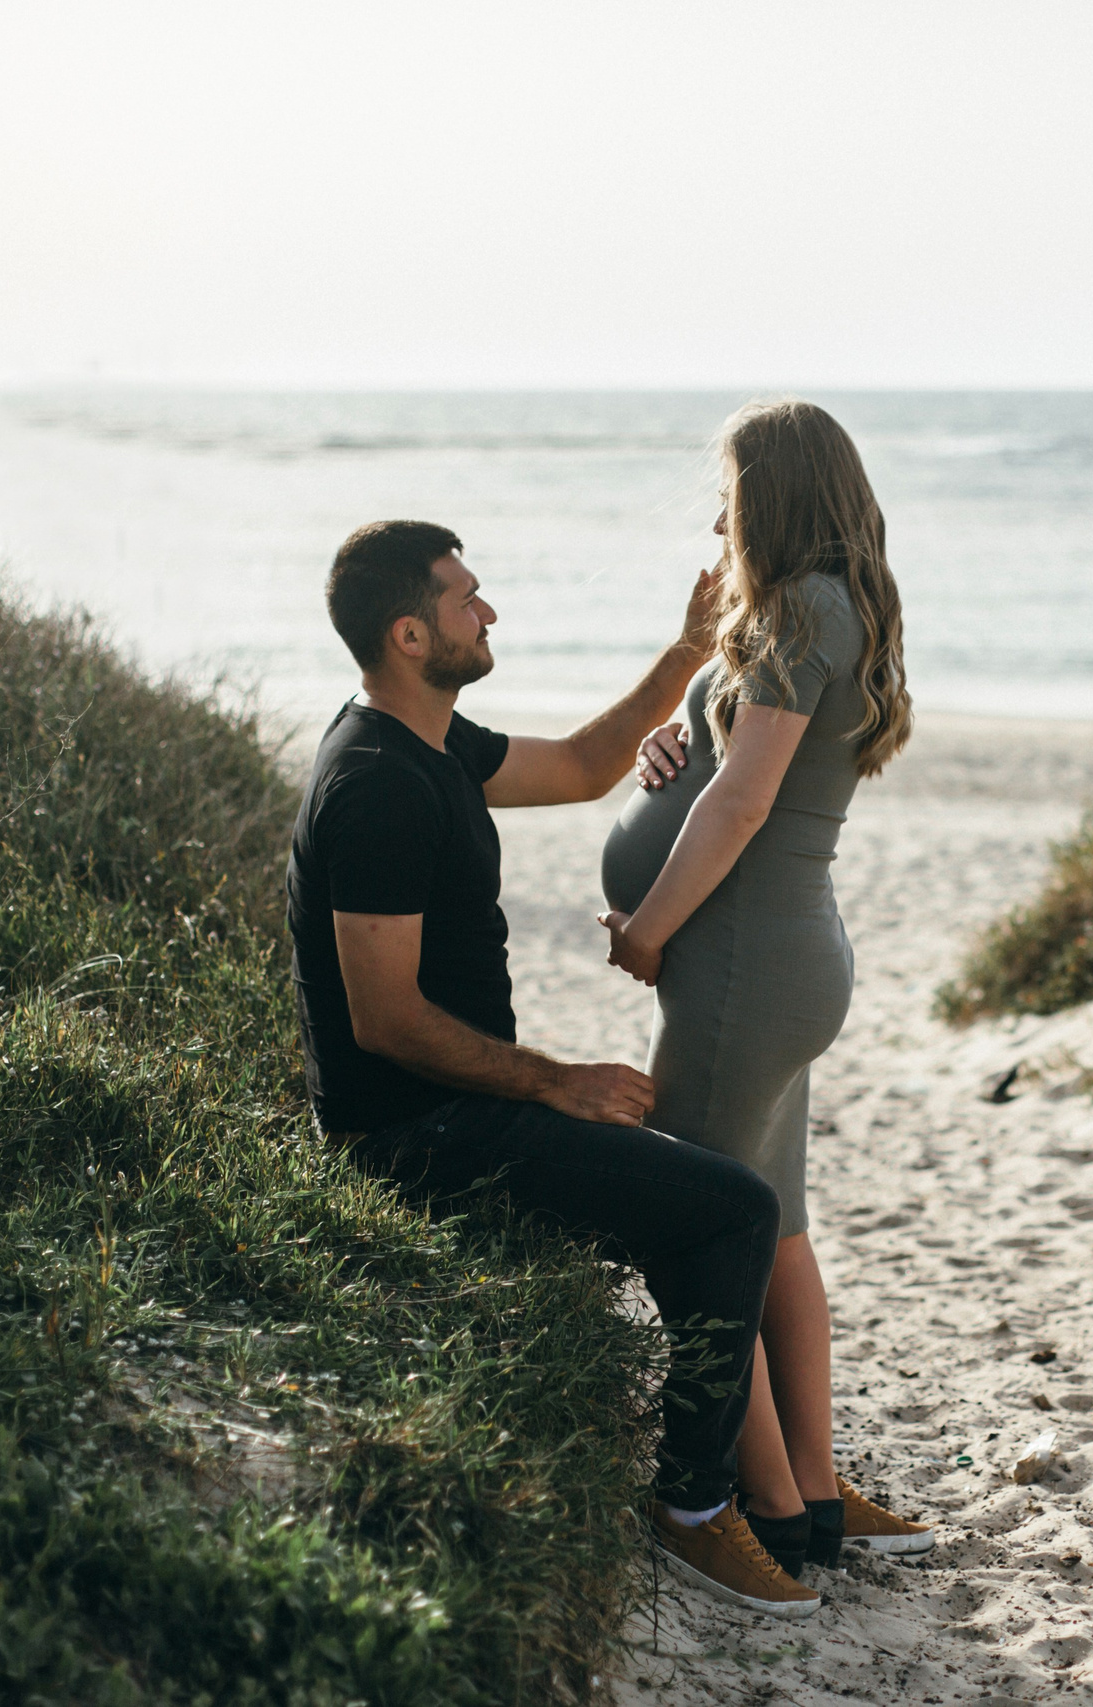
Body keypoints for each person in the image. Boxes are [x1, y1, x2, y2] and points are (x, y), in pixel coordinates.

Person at [286, 518, 818, 1618]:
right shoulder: (375, 782)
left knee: (696, 1202)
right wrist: (551, 1080)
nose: (488, 613)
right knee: (733, 1212)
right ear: (408, 633)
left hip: (464, 1109)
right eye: (465, 599)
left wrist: (683, 653)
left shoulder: (433, 741)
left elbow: (583, 767)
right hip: (415, 1135)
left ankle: (765, 1497)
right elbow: (382, 1020)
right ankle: (691, 1510)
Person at [597, 401, 935, 1579]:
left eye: (729, 499)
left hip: (742, 969)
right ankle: (816, 1490)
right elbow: (738, 775)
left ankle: (772, 1511)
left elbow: (743, 808)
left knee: (697, 1235)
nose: (714, 518)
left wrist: (646, 930)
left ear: (772, 501)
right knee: (776, 1228)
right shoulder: (832, 606)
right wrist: (673, 747)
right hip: (782, 959)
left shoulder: (800, 610)